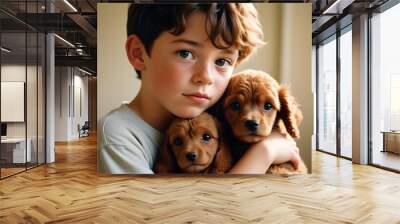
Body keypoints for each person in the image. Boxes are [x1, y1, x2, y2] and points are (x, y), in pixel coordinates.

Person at [98, 3, 302, 174]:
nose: (206, 77)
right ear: (138, 54)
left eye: (222, 61)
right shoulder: (117, 137)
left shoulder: (216, 121)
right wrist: (265, 152)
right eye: (186, 53)